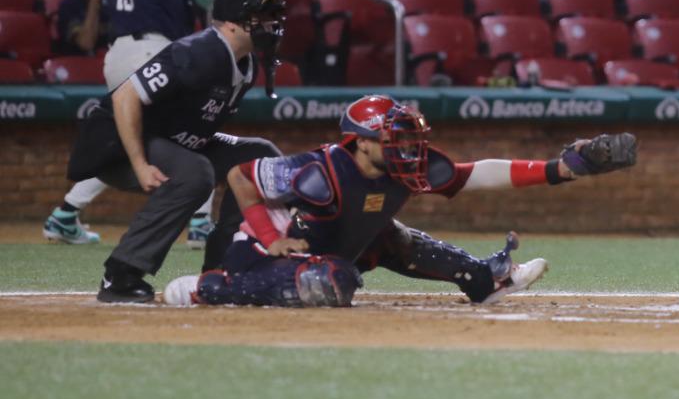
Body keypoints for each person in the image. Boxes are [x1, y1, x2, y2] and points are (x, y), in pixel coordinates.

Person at [161, 95, 636, 309]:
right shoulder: (319, 172)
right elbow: (240, 177)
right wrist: (269, 236)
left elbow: (474, 174)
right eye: (394, 138)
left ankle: (483, 279)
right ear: (359, 143)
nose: (407, 148)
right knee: (335, 280)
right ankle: (211, 287)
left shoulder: (404, 169)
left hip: (336, 246)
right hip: (265, 258)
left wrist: (560, 169)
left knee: (391, 237)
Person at [65, 0, 287, 301]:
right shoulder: (199, 51)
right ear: (233, 23)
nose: (272, 24)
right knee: (195, 173)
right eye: (263, 16)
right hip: (117, 145)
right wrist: (140, 164)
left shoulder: (247, 63)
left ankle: (224, 269)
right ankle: (121, 275)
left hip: (170, 141)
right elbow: (125, 97)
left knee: (259, 158)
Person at [42, 0, 219, 250]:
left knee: (128, 141)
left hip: (120, 54)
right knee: (194, 130)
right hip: (154, 54)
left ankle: (65, 213)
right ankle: (201, 224)